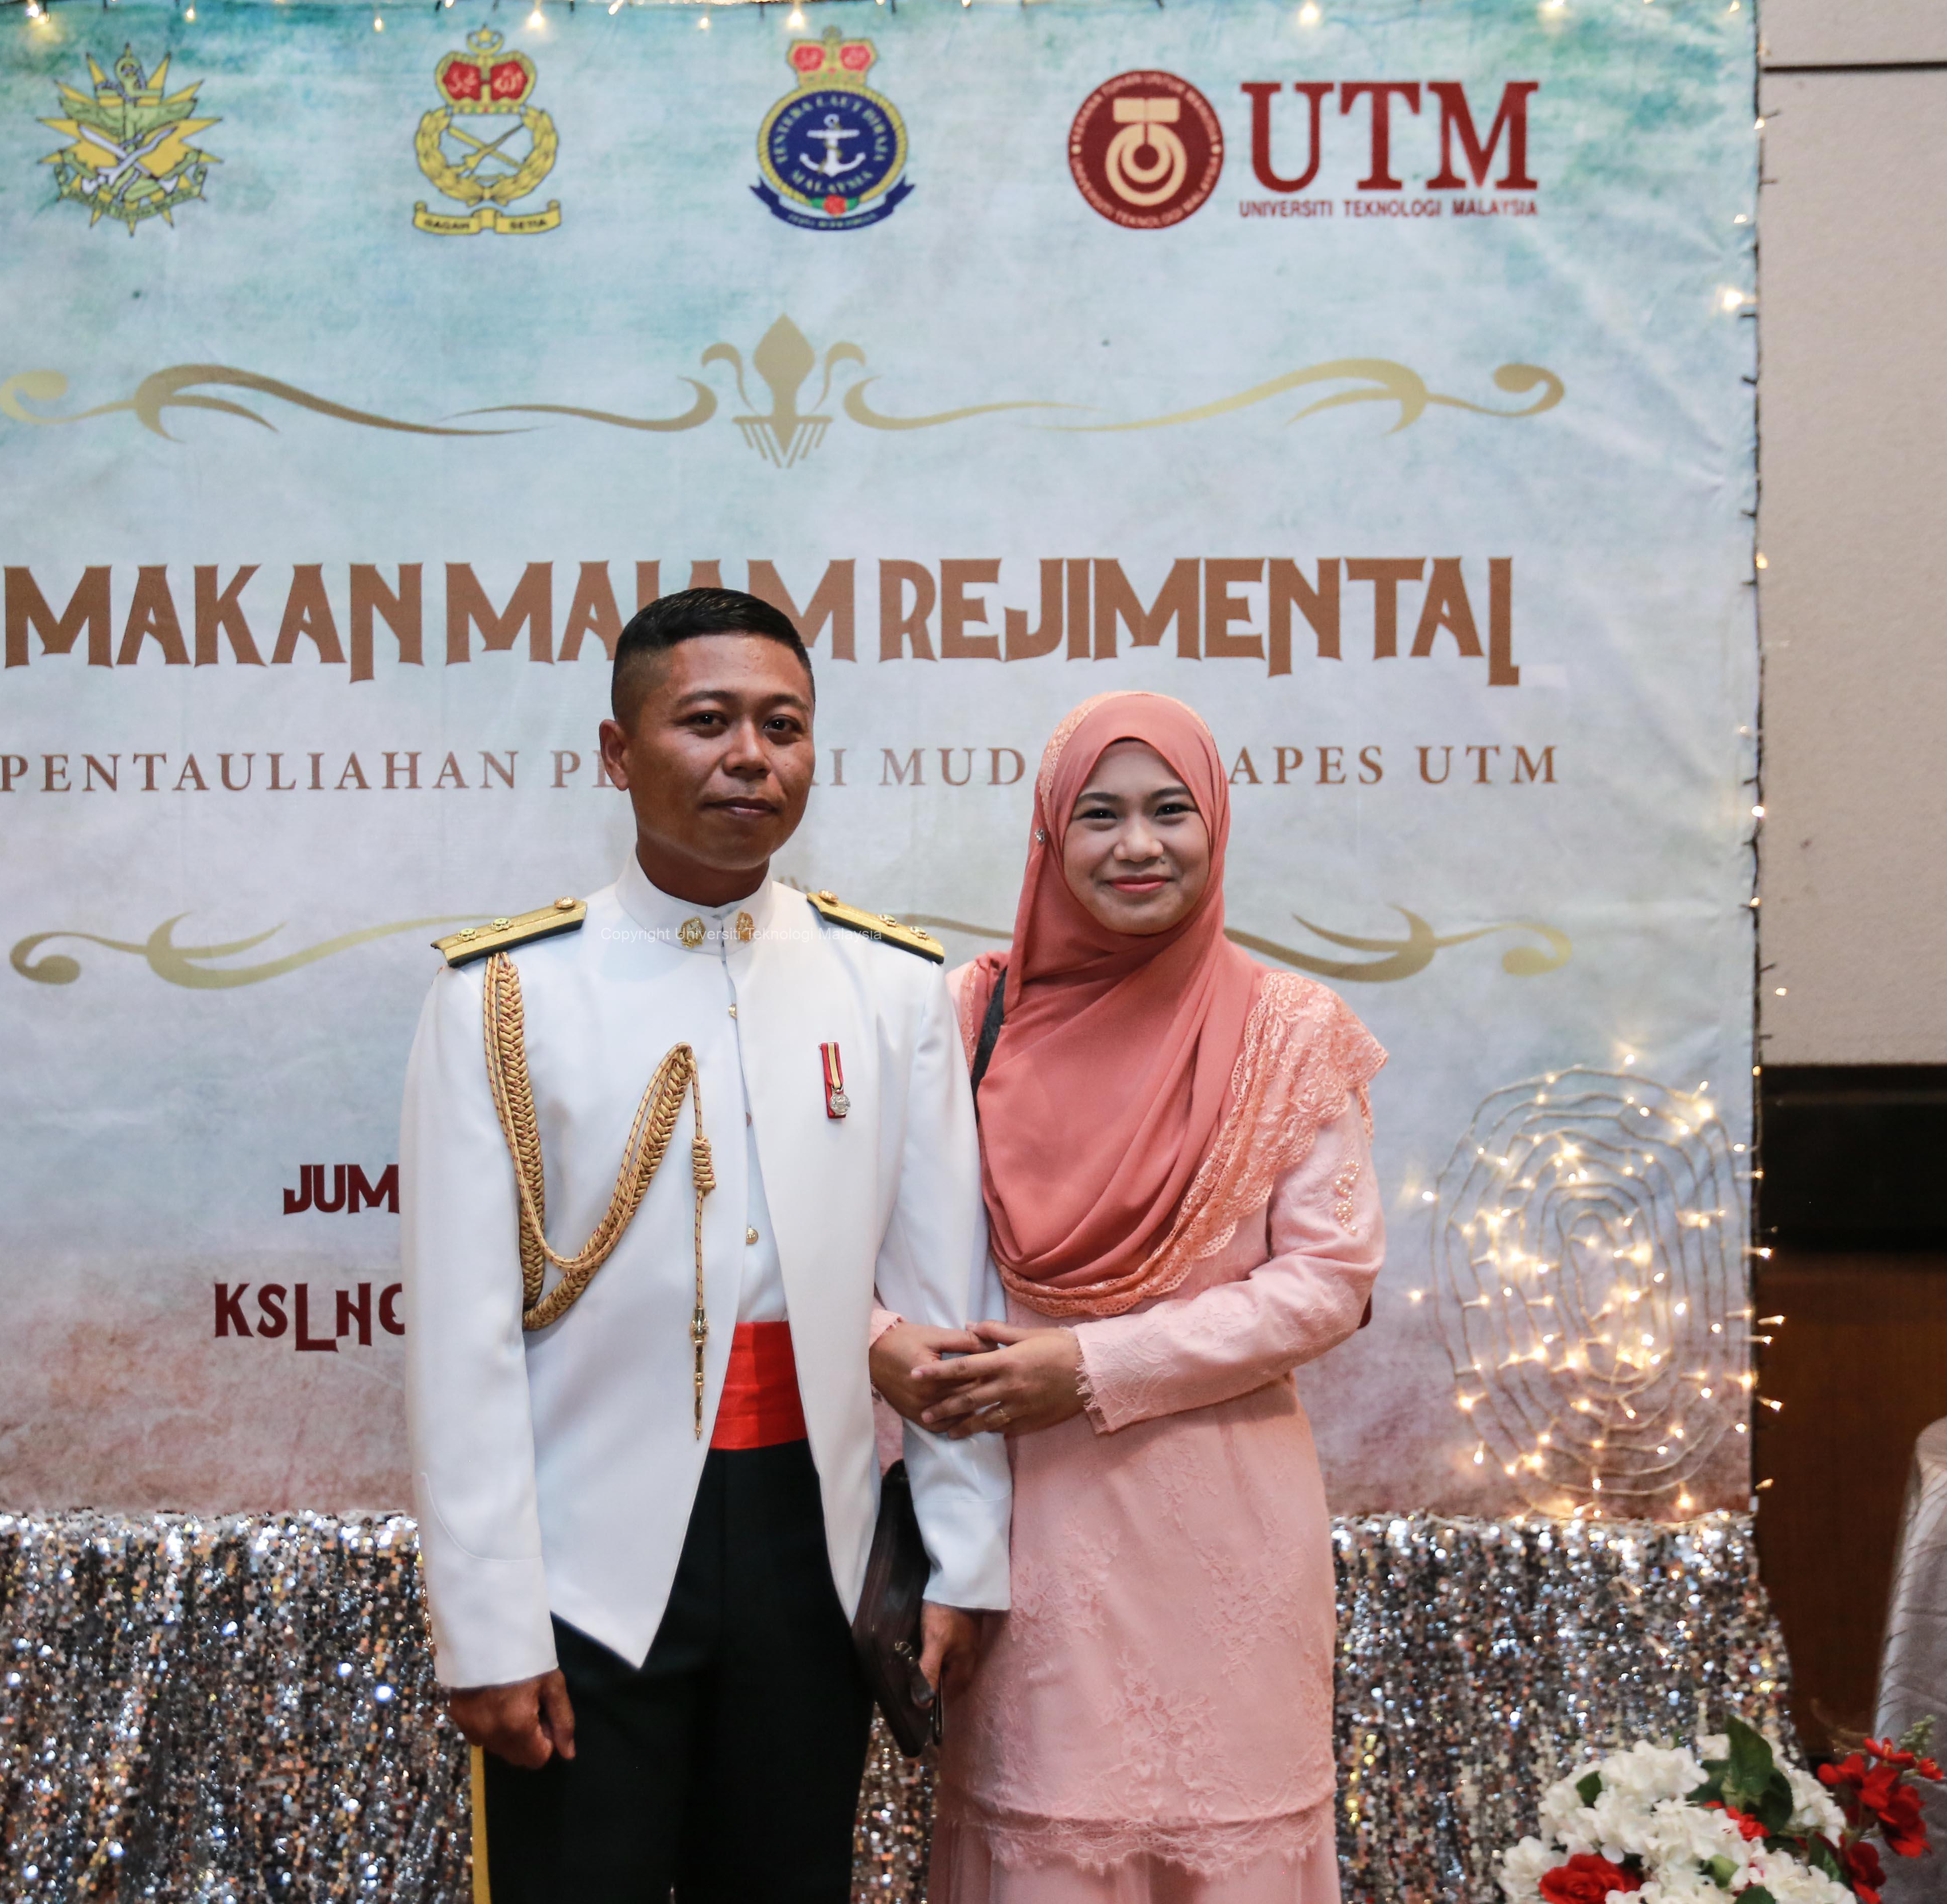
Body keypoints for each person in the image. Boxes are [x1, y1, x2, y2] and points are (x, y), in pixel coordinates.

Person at [398, 588, 1013, 1904]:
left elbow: (944, 1307)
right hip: (585, 1563)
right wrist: (489, 1628)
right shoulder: (505, 995)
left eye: (783, 727)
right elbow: (461, 1347)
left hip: (816, 1551)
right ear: (619, 753)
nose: (751, 757)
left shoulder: (891, 986)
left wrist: (966, 1555)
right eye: (709, 722)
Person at [874, 691, 1386, 1904]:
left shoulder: (1291, 1032)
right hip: (1020, 1536)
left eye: (1171, 811)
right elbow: (848, 1240)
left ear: (1217, 826)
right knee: (1048, 1844)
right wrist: (881, 1343)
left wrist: (1094, 1365)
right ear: (1051, 836)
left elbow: (1329, 1281)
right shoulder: (963, 1016)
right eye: (1099, 815)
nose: (1138, 846)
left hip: (1227, 1538)